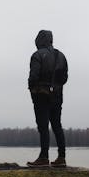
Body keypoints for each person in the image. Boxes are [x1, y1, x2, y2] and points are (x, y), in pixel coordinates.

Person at [27, 30, 68, 168]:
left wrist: (32, 89)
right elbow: (64, 78)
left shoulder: (37, 55)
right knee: (57, 125)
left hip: (41, 95)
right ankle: (61, 157)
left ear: (39, 41)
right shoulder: (61, 55)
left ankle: (44, 157)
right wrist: (56, 86)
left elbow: (33, 77)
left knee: (43, 126)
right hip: (57, 95)